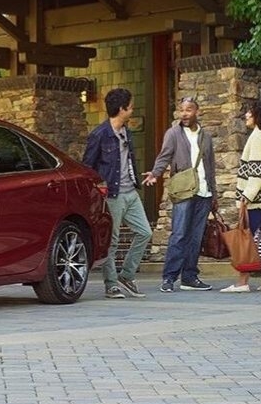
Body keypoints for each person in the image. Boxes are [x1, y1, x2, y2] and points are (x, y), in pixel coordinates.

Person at [81, 88, 152, 299]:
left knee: (145, 232)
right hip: (112, 195)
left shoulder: (126, 132)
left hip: (131, 192)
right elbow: (88, 167)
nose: (132, 110)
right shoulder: (99, 135)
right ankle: (111, 284)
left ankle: (126, 275)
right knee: (111, 240)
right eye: (130, 107)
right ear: (121, 109)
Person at [144, 96, 217, 293]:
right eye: (182, 110)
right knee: (179, 234)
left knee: (196, 236)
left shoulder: (205, 136)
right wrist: (155, 173)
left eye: (189, 110)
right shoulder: (173, 133)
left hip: (204, 191)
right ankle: (169, 278)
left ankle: (190, 277)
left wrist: (214, 195)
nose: (184, 114)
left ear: (197, 112)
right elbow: (164, 156)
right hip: (184, 190)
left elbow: (210, 166)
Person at [222, 101, 261, 294]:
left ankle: (242, 281)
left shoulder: (257, 137)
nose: (246, 116)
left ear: (257, 115)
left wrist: (246, 197)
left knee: (245, 239)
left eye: (249, 112)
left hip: (257, 200)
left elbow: (258, 172)